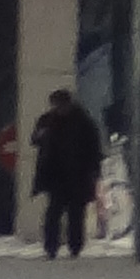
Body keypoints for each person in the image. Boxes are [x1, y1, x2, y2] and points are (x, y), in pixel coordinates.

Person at [31, 87, 102, 259]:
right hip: (56, 174)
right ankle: (51, 247)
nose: (58, 109)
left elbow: (94, 148)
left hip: (78, 174)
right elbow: (35, 140)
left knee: (75, 213)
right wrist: (40, 136)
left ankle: (74, 246)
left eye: (60, 105)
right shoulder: (47, 120)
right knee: (53, 213)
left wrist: (93, 171)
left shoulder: (83, 122)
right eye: (55, 105)